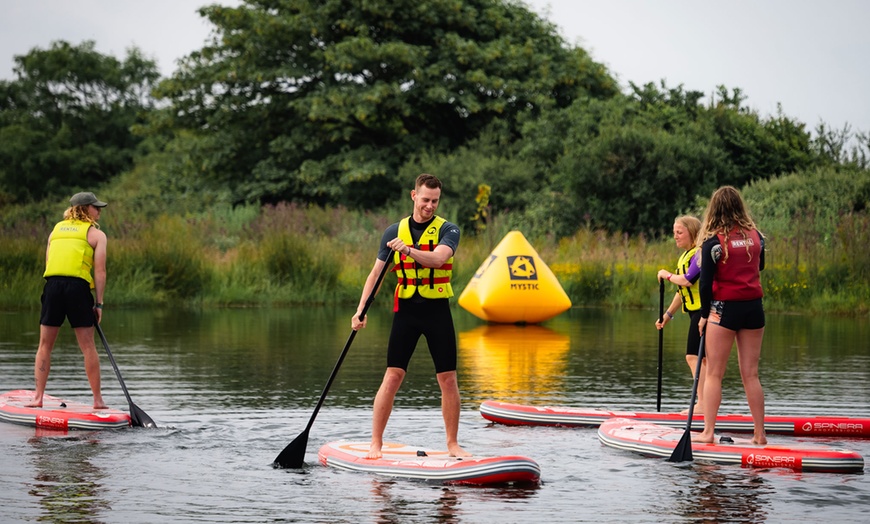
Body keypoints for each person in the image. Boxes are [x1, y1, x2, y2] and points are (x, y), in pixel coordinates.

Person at [351, 173, 471, 460]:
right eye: (426, 199)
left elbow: (439, 259)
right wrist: (360, 309)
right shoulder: (393, 231)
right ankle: (375, 444)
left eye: (435, 201)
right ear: (413, 196)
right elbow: (376, 275)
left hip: (437, 311)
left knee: (448, 379)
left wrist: (408, 249)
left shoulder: (449, 230)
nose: (430, 206)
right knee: (393, 376)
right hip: (406, 312)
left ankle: (452, 444)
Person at [692, 186, 767, 445]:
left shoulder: (713, 243)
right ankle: (760, 434)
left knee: (714, 373)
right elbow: (761, 265)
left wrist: (703, 315)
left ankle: (708, 432)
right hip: (754, 307)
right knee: (751, 374)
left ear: (714, 209)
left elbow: (705, 283)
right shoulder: (757, 236)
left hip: (724, 309)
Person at [26, 191, 109, 409]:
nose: (99, 211)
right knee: (88, 346)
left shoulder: (55, 231)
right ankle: (98, 401)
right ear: (84, 209)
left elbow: (48, 263)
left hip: (52, 287)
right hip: (77, 289)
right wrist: (98, 303)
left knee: (44, 345)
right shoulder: (96, 235)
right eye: (95, 207)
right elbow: (100, 272)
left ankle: (38, 398)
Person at [655, 215, 705, 414]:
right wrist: (667, 315)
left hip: (704, 313)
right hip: (694, 314)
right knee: (701, 360)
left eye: (679, 232)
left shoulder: (699, 254)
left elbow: (687, 281)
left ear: (692, 233)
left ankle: (702, 405)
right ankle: (705, 403)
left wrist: (666, 275)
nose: (675, 236)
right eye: (674, 232)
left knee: (693, 357)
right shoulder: (686, 255)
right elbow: (681, 292)